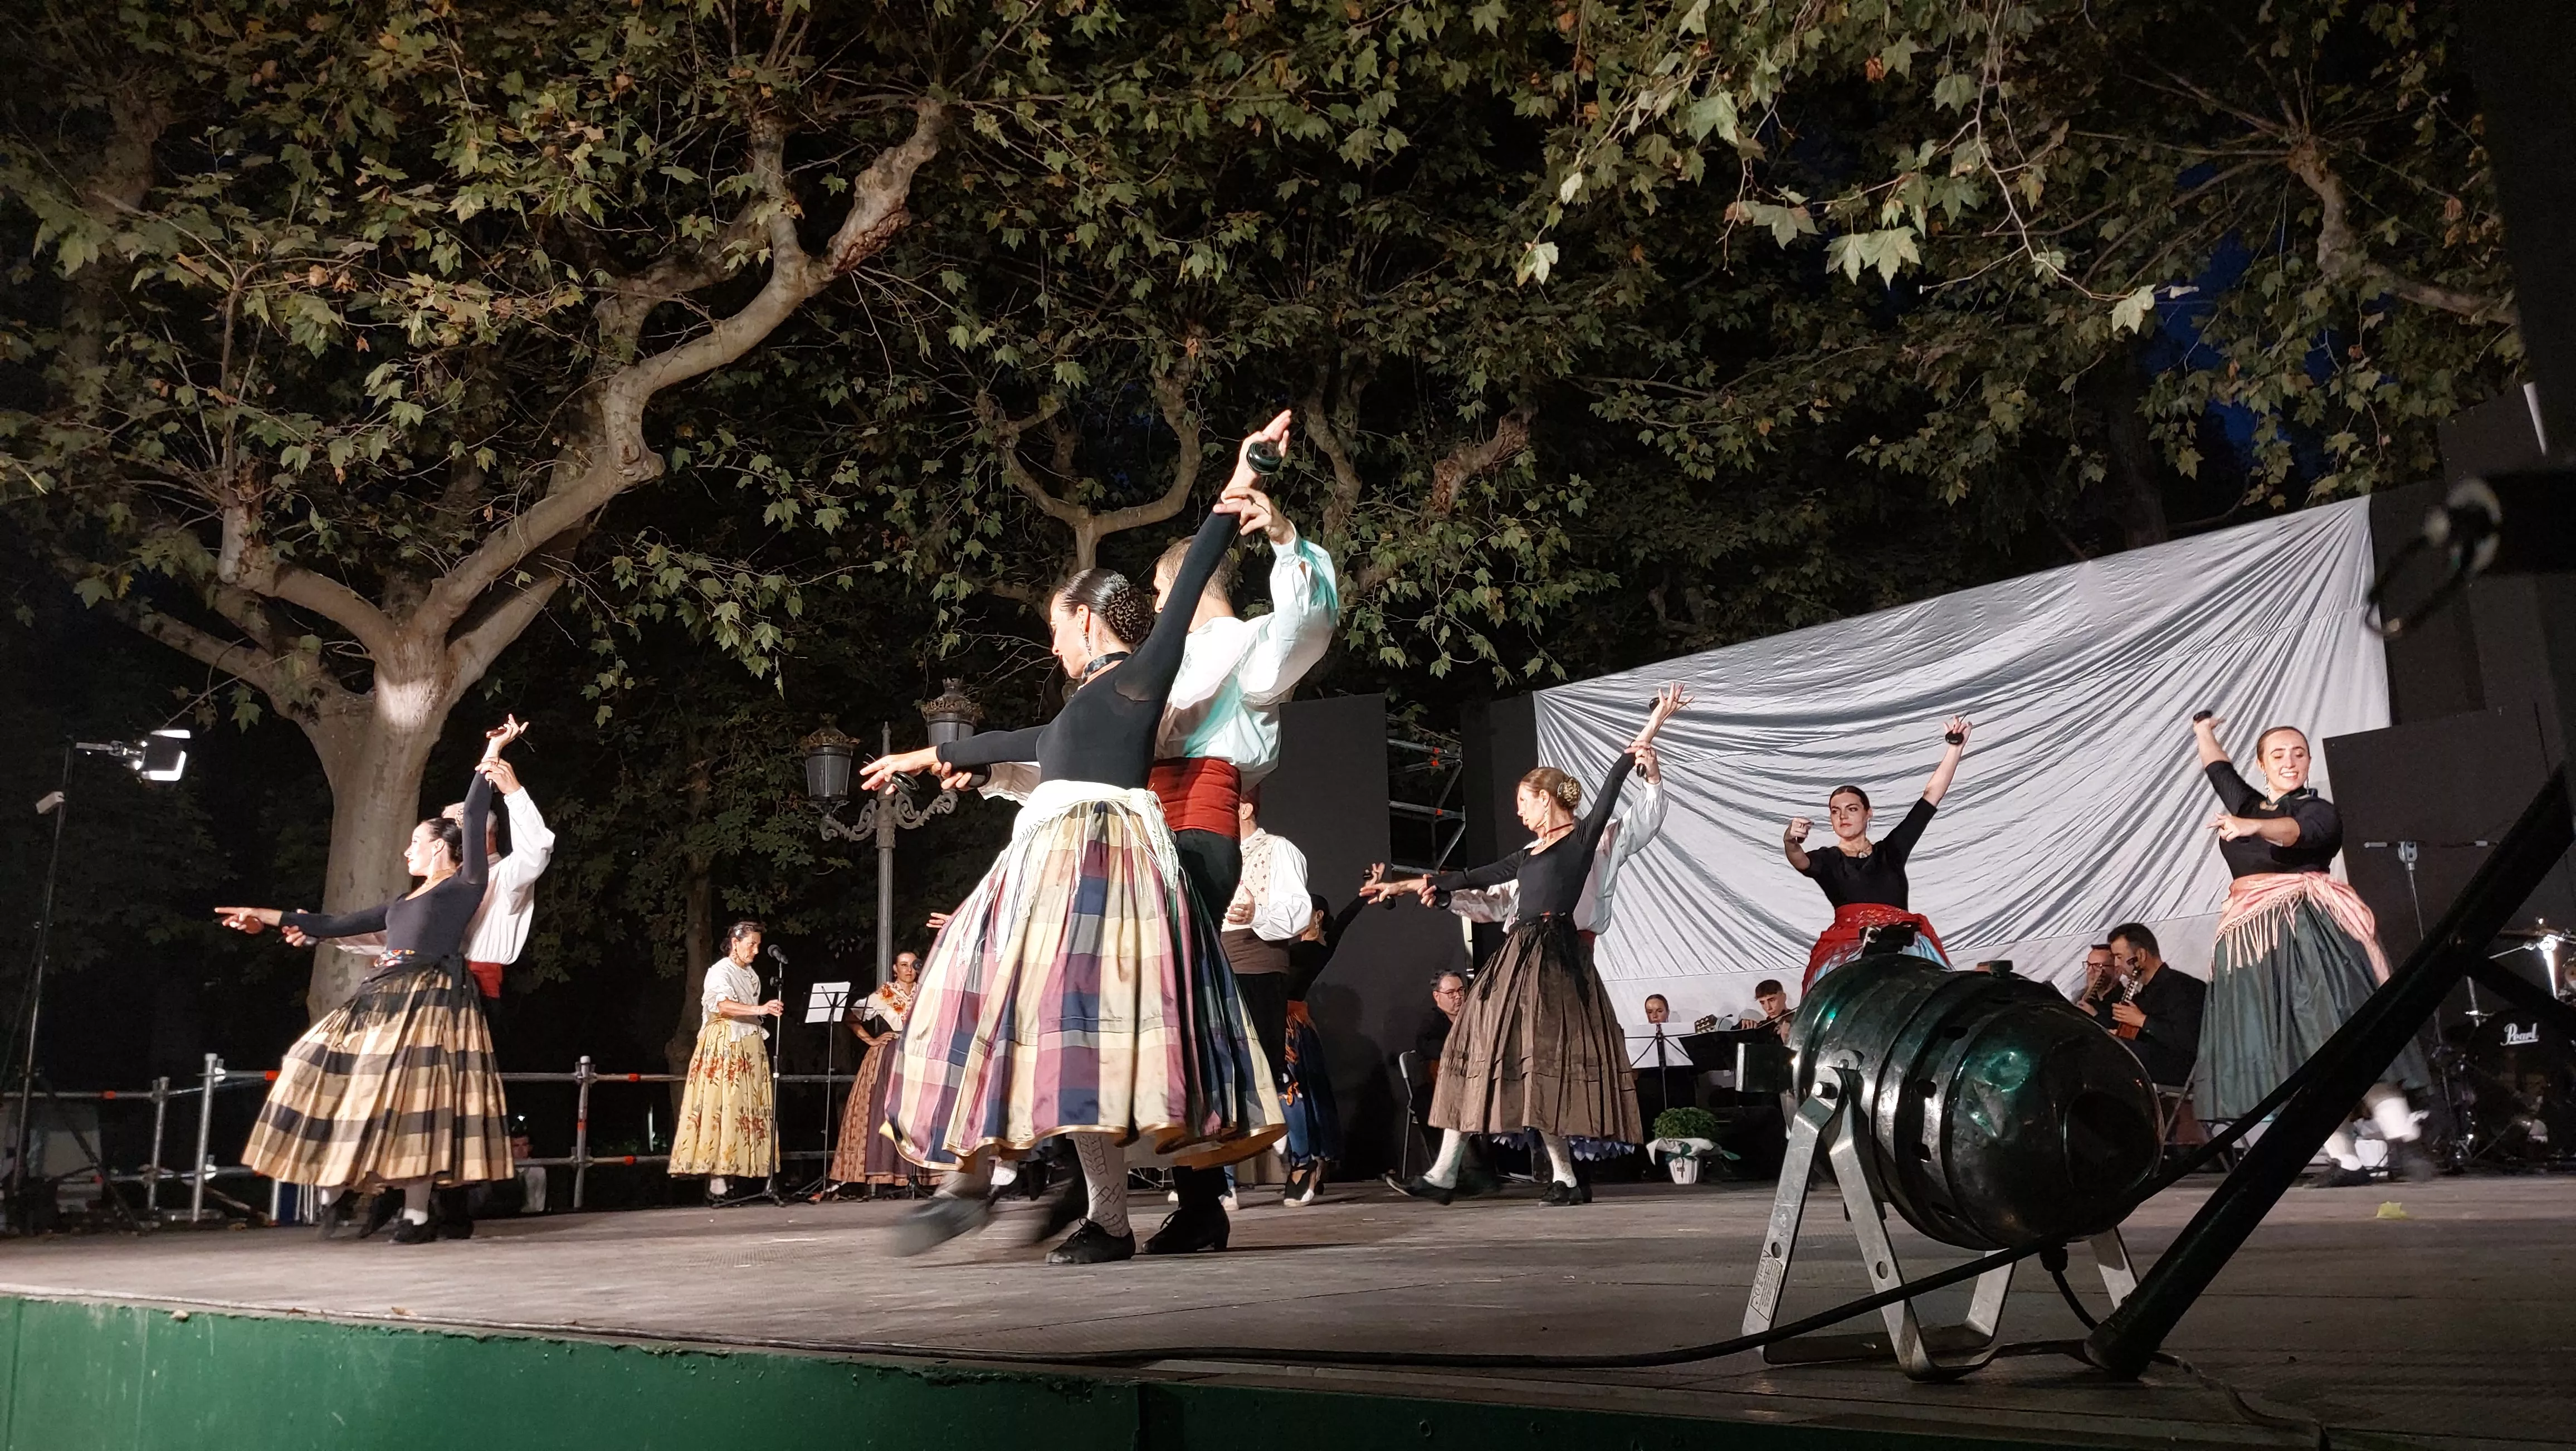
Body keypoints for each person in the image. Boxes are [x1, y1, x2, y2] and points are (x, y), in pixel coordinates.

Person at [862, 437, 1287, 1265]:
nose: (1053, 643)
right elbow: (1004, 743)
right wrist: (921, 758)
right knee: (1021, 1014)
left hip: (1101, 870)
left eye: (1056, 627)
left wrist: (1241, 487)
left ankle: (1016, 1198)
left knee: (1074, 1029)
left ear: (1087, 618)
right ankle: (996, 1190)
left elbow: (1197, 572)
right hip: (1047, 864)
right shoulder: (1078, 708)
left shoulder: (1138, 678)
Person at [1364, 683, 1690, 1206]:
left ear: (1546, 797)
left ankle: (1518, 1175)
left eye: (1523, 802)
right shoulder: (1529, 855)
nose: (1518, 813)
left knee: (1536, 1060)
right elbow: (1476, 883)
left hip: (1561, 957)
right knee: (1486, 1047)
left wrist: (1655, 731)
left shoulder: (1590, 840)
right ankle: (1483, 1173)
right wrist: (1404, 885)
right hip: (1520, 956)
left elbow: (1621, 785)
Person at [218, 720, 521, 1245]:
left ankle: (418, 1215)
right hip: (381, 995)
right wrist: (262, 916)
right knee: (312, 1059)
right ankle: (335, 1188)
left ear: (441, 850)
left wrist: (492, 750)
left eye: (415, 843)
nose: (407, 851)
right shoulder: (401, 903)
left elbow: (472, 814)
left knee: (417, 1101)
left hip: (429, 998)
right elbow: (332, 923)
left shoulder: (466, 886)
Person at [2192, 715, 2433, 1185]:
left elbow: (2292, 834)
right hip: (2254, 943)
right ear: (2261, 764)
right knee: (2288, 1053)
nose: (2289, 761)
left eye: (2298, 753)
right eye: (2278, 755)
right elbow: (2219, 770)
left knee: (2342, 1030)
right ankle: (2344, 1159)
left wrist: (2249, 827)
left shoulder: (2317, 810)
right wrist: (2204, 732)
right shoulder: (2248, 802)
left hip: (2310, 931)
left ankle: (2404, 1140)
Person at [340, 729, 557, 1239]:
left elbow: (540, 848)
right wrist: (318, 933)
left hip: (476, 990)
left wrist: (513, 792)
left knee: (457, 1096)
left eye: (456, 823)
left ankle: (435, 1201)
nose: (447, 831)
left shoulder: (504, 876)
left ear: (479, 835)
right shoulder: (435, 891)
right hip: (425, 987)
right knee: (421, 1093)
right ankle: (431, 1200)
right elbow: (390, 935)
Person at [1782, 717, 1973, 990]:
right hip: (1847, 946)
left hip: (1906, 943)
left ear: (1868, 813)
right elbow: (1799, 859)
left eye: (1852, 809)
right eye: (1835, 811)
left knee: (1943, 994)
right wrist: (1790, 841)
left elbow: (1931, 796)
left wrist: (1955, 749)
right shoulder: (1827, 859)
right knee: (1831, 994)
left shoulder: (1891, 851)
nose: (1843, 816)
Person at [669, 920, 783, 1204]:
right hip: (726, 1044)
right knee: (723, 1106)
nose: (756, 950)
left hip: (748, 1044)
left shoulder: (751, 974)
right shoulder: (720, 971)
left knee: (742, 1111)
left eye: (757, 944)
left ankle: (734, 1175)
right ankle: (717, 1181)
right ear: (735, 942)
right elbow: (723, 1005)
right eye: (751, 944)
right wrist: (760, 1008)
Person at [1278, 893, 1365, 1205]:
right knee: (1303, 1096)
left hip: (1289, 1030)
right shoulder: (1288, 946)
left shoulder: (1317, 948)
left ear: (1317, 916)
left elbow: (1341, 923)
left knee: (1293, 1094)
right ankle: (1311, 1157)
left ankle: (1305, 1162)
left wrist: (1360, 899)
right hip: (1280, 1025)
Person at [822, 950, 924, 1197]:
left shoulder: (926, 990)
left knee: (920, 1112)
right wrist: (870, 1039)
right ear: (894, 969)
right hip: (892, 1055)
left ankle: (919, 1175)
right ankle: (888, 1173)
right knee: (886, 1110)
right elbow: (851, 1016)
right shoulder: (886, 994)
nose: (909, 970)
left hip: (920, 1054)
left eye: (912, 965)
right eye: (903, 965)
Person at [2093, 923, 2208, 1131]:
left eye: (2120, 957)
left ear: (2141, 956)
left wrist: (2143, 1022)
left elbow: (2190, 1041)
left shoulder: (2183, 987)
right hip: (2147, 1063)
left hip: (2179, 1068)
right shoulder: (2143, 994)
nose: (2117, 964)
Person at [1735, 978, 1795, 1045]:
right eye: (1763, 1003)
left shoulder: (1798, 1021)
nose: (1768, 1008)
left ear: (1784, 997)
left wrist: (1787, 1039)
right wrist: (1741, 1027)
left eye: (1772, 1000)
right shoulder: (1763, 1027)